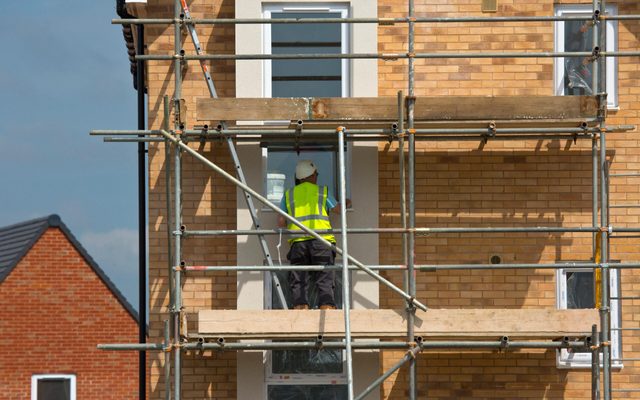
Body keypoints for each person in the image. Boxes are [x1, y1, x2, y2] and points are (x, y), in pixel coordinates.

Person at [278, 160, 351, 310]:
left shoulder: (289, 194)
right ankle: (326, 306)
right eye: (316, 174)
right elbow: (337, 209)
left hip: (298, 242)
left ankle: (300, 306)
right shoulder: (322, 191)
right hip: (321, 240)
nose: (317, 176)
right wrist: (347, 202)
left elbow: (280, 222)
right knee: (324, 275)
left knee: (299, 276)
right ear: (311, 175)